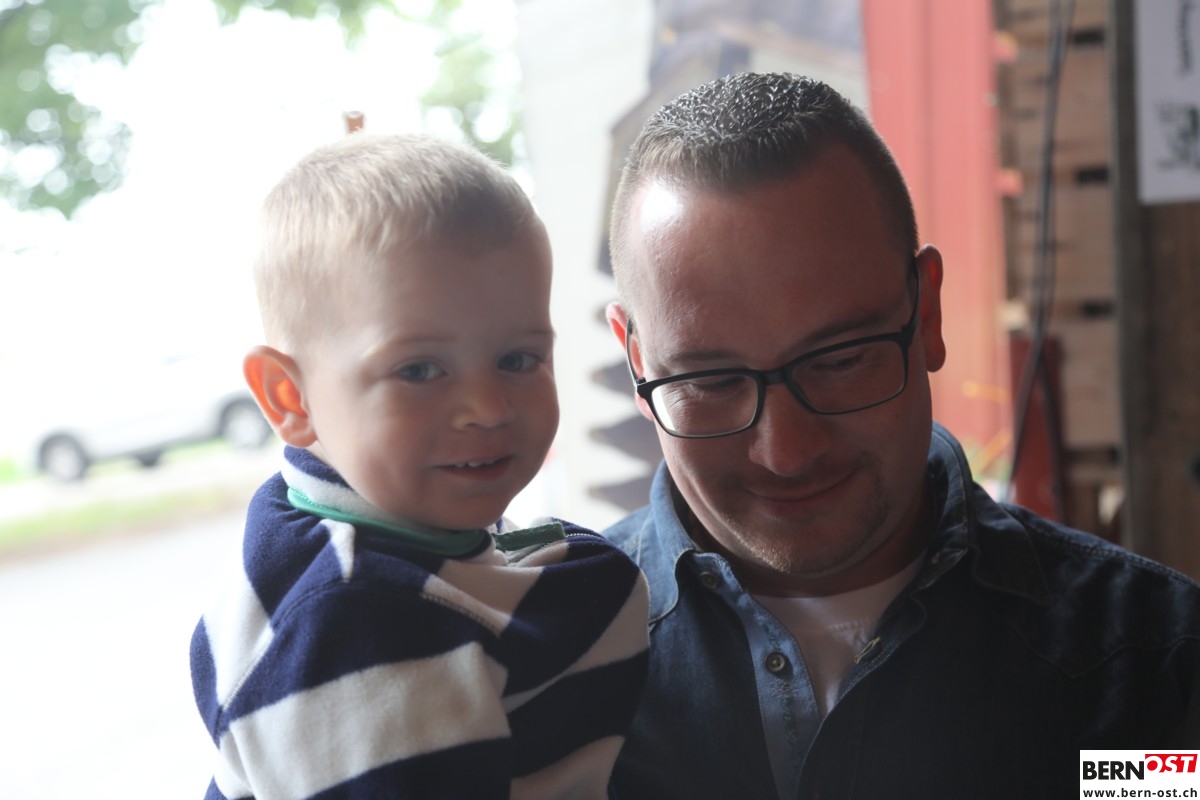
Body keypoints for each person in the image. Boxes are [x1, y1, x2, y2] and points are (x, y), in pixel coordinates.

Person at [601, 71, 1200, 799]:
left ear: (930, 314)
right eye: (710, 381)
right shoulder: (538, 672)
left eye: (841, 360)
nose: (786, 452)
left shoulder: (1157, 672)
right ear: (637, 362)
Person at [189, 133, 649, 800]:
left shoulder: (392, 534)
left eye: (518, 359)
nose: (487, 408)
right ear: (290, 398)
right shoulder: (358, 629)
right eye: (419, 370)